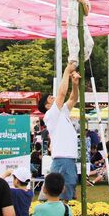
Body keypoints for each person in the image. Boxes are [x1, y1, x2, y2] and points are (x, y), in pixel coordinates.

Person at [37, 62, 81, 201]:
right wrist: (67, 70)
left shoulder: (61, 112)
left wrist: (74, 84)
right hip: (63, 159)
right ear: (47, 105)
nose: (54, 97)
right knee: (61, 197)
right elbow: (62, 94)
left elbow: (73, 98)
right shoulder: (50, 115)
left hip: (68, 159)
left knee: (68, 194)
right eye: (51, 98)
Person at [66, 0, 94, 66]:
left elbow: (86, 13)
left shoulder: (86, 1)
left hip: (83, 24)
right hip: (72, 24)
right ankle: (73, 62)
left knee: (90, 43)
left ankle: (82, 59)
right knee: (75, 45)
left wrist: (83, 3)